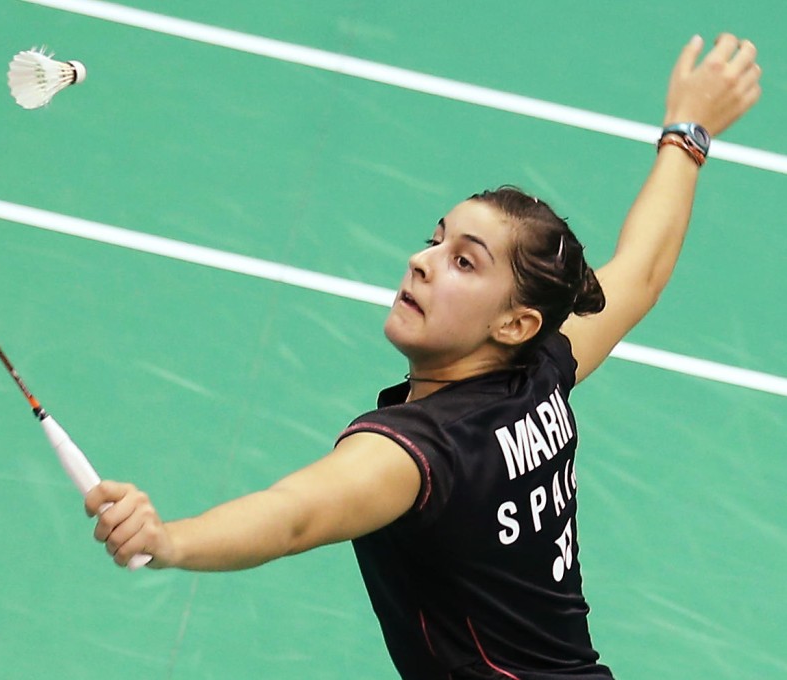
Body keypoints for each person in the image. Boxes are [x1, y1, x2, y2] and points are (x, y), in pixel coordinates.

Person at [84, 34, 762, 679]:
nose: (422, 262)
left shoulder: (416, 453)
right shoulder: (540, 372)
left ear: (516, 321)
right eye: (437, 241)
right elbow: (641, 271)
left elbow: (292, 514)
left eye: (465, 261)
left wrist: (170, 540)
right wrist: (688, 133)